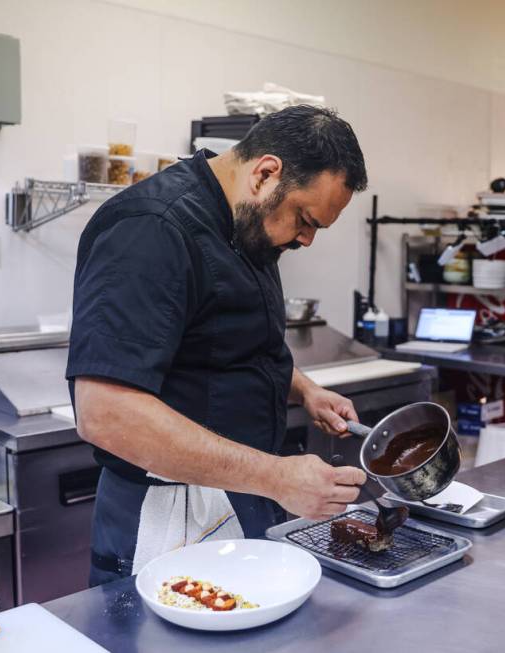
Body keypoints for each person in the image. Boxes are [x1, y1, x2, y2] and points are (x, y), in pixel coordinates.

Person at [66, 105, 369, 586]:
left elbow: (224, 339)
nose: (307, 239)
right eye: (305, 219)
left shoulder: (247, 224)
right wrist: (277, 477)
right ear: (265, 173)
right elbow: (106, 414)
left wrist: (304, 389)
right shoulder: (151, 228)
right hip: (168, 514)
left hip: (237, 492)